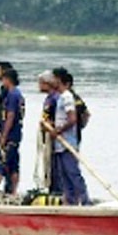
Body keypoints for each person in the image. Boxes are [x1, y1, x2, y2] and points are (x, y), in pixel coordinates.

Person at [45, 69, 90, 206]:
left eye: (53, 78)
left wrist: (58, 131)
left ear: (59, 80)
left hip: (67, 143)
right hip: (60, 144)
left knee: (72, 172)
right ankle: (71, 201)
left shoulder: (67, 97)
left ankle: (85, 201)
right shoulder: (60, 97)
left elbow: (72, 119)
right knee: (63, 175)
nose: (51, 81)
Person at [0, 68, 24, 195]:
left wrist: (4, 135)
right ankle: (13, 192)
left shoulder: (12, 95)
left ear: (8, 80)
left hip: (10, 135)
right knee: (13, 165)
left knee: (2, 163)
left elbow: (10, 116)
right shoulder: (19, 94)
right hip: (16, 135)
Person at [35, 70, 58, 193]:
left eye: (40, 83)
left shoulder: (55, 98)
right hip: (46, 136)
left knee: (55, 166)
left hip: (54, 137)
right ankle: (51, 188)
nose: (38, 86)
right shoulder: (49, 98)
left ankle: (58, 190)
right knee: (48, 165)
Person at [59, 71, 90, 142]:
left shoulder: (69, 97)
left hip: (68, 135)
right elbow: (86, 114)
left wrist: (79, 126)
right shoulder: (75, 97)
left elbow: (86, 114)